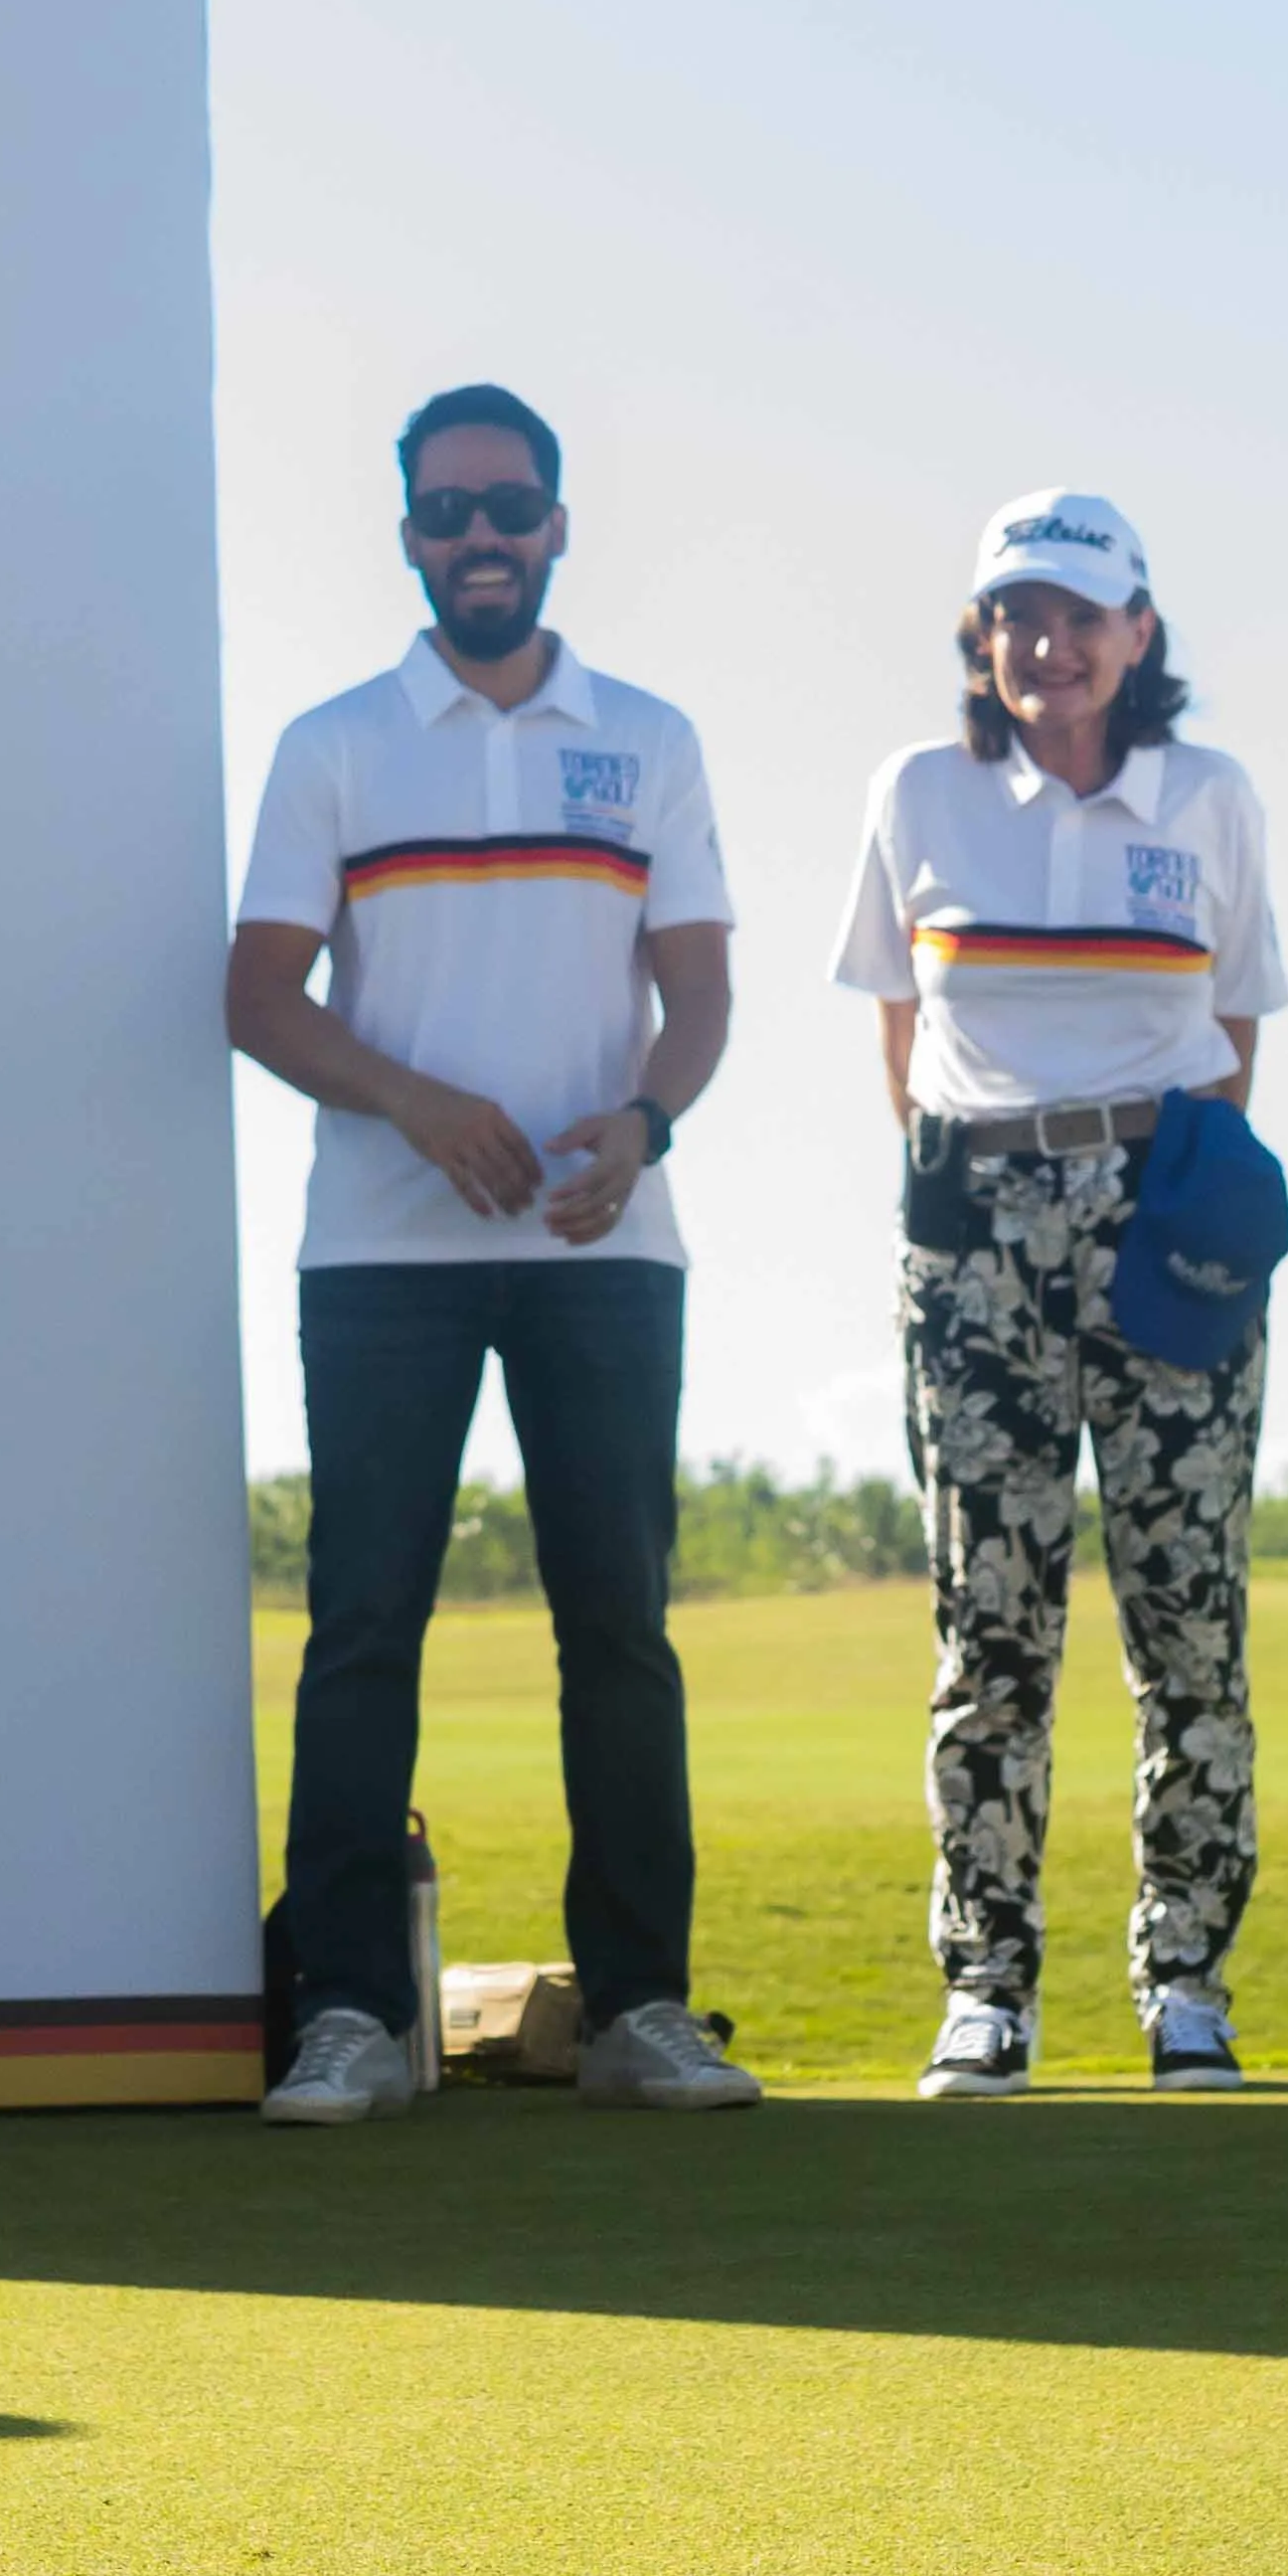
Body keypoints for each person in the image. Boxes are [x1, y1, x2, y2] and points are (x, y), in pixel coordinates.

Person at [228, 386, 752, 2125]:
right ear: (407, 539)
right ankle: (353, 2016)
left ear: (556, 529)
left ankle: (640, 2009)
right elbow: (257, 996)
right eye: (447, 513)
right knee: (364, 1626)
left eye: (507, 509)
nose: (480, 540)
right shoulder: (340, 743)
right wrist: (418, 1105)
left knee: (622, 1629)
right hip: (382, 1254)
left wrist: (646, 1126)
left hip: (608, 1245)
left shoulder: (650, 738)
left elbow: (701, 996)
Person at [833, 489, 1286, 2101]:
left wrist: (1162, 1201)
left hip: (1161, 1208)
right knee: (990, 1627)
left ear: (1139, 634)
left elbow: (1237, 1035)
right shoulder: (921, 795)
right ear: (981, 636)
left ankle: (1186, 1982)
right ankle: (988, 1987)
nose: (1049, 643)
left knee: (1188, 1621)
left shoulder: (1208, 797)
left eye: (1081, 615)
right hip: (975, 1231)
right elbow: (902, 1032)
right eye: (1016, 614)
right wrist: (983, 1196)